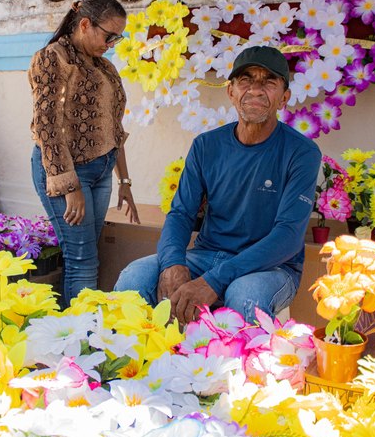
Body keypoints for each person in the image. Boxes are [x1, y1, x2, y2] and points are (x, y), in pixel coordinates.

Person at [114, 46, 321, 325]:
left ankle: (240, 369)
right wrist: (174, 263)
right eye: (245, 79)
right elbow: (181, 214)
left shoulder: (302, 152)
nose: (256, 90)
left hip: (271, 268)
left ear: (284, 98)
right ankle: (132, 364)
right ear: (231, 92)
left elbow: (288, 236)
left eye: (269, 81)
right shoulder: (206, 145)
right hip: (206, 256)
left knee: (244, 294)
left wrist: (213, 280)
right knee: (134, 278)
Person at [29, 0, 140, 306]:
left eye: (118, 38)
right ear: (85, 24)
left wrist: (125, 182)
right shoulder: (54, 58)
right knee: (82, 259)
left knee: (89, 254)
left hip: (102, 172)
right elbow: (46, 125)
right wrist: (69, 186)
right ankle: (79, 344)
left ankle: (81, 334)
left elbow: (114, 130)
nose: (112, 44)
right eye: (109, 35)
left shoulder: (103, 67)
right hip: (66, 171)